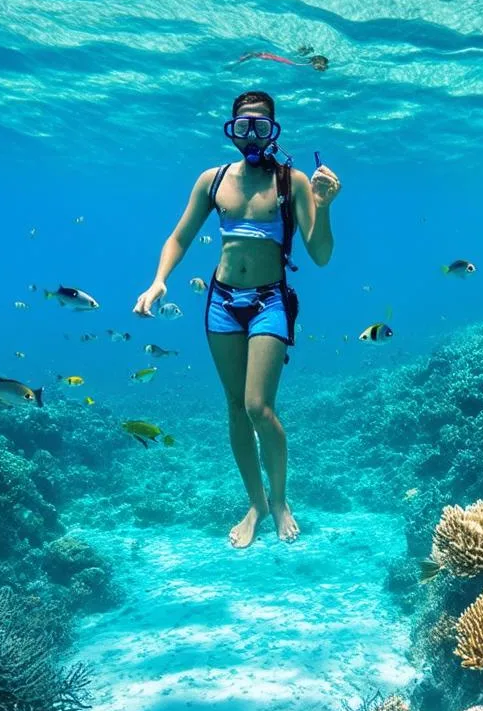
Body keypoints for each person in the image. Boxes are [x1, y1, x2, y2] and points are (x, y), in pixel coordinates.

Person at [133, 91, 341, 548]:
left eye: (261, 127)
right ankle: (256, 503)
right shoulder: (213, 180)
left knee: (257, 408)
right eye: (243, 126)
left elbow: (320, 254)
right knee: (233, 406)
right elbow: (179, 236)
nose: (252, 136)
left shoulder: (294, 181)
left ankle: (281, 499)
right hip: (222, 301)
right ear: (231, 129)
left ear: (274, 130)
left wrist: (323, 208)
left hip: (270, 301)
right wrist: (159, 281)